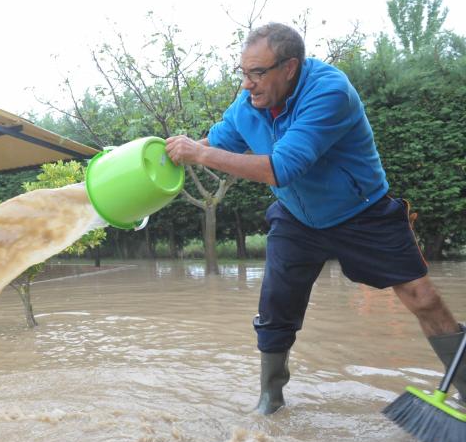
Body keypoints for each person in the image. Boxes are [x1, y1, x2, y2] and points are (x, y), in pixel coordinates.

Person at [165, 22, 464, 415]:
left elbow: (282, 168)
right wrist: (173, 154)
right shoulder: (248, 104)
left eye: (257, 73)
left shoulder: (329, 92)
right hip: (296, 218)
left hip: (363, 212)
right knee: (275, 308)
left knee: (423, 298)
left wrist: (200, 154)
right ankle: (270, 401)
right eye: (243, 72)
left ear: (290, 67)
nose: (247, 84)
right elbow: (218, 142)